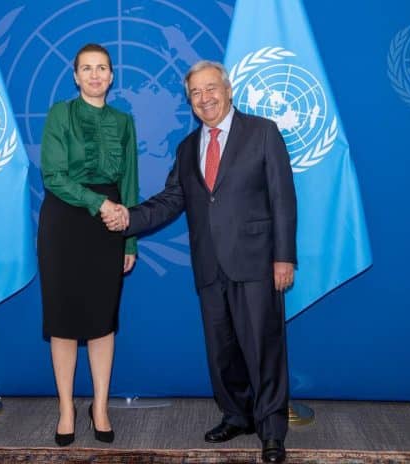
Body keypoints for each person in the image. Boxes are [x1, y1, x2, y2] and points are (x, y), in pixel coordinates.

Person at [103, 60, 295, 463]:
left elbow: (283, 199)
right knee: (221, 351)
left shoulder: (262, 132)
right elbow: (171, 200)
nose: (204, 98)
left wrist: (284, 257)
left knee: (263, 347)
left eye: (211, 89)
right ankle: (237, 415)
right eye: (195, 92)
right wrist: (128, 219)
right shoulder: (188, 147)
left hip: (257, 262)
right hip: (209, 264)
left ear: (227, 90)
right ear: (189, 101)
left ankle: (272, 431)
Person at [37, 43, 138, 446]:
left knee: (101, 320)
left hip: (110, 226)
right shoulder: (60, 113)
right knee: (63, 321)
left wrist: (129, 237)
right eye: (87, 68)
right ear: (75, 76)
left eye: (103, 68)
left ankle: (99, 406)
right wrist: (100, 203)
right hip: (64, 221)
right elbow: (53, 176)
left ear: (112, 76)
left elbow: (129, 180)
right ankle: (66, 408)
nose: (95, 75)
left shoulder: (125, 121)